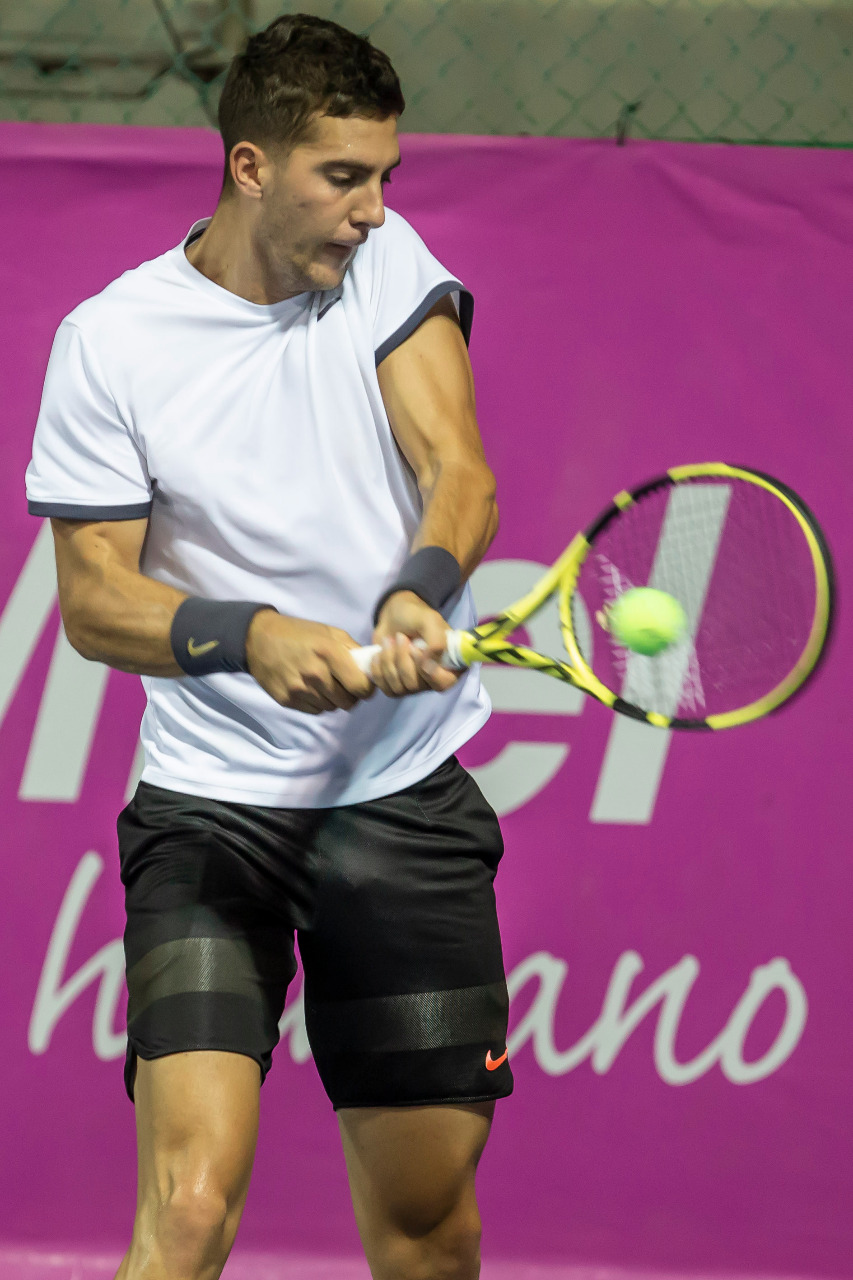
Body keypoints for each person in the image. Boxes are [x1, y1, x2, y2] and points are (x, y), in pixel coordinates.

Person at [26, 13, 511, 1280]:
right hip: (210, 815)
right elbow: (95, 602)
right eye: (341, 176)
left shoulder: (388, 266)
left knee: (427, 1226)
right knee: (188, 1208)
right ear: (250, 165)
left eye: (384, 175)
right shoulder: (112, 343)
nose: (371, 207)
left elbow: (457, 470)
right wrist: (248, 635)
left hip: (399, 800)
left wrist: (419, 589)